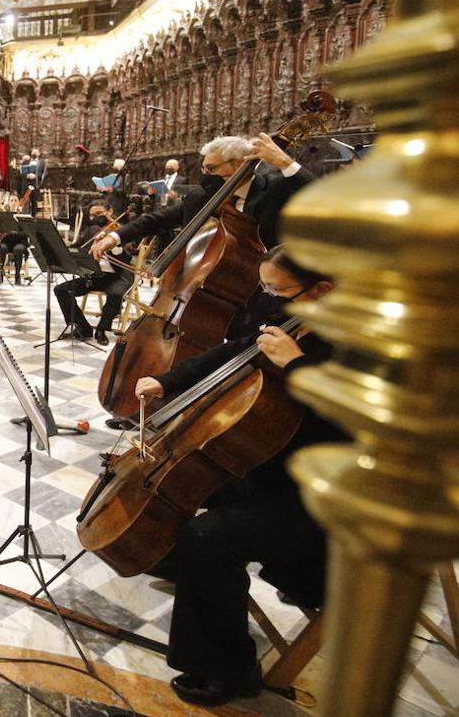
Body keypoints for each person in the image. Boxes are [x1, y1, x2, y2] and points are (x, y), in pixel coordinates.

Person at [134, 246, 347, 706]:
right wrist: (169, 381)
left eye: (277, 289)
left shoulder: (357, 340)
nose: (268, 299)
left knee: (207, 536)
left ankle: (229, 670)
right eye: (264, 287)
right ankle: (187, 570)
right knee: (182, 482)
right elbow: (234, 351)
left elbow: (356, 421)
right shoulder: (292, 315)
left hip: (324, 497)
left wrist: (297, 365)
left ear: (323, 289)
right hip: (274, 468)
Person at [89, 134, 311, 261]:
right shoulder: (203, 197)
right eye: (204, 169)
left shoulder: (274, 188)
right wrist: (115, 237)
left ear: (239, 164)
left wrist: (284, 162)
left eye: (212, 169)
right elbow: (156, 219)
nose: (206, 176)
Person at [55, 200, 131, 344]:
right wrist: (64, 249)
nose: (96, 218)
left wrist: (115, 247)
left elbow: (128, 257)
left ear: (109, 211)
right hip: (94, 275)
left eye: (99, 213)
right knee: (61, 290)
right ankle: (83, 327)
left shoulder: (122, 231)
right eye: (92, 215)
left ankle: (102, 329)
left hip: (117, 276)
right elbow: (78, 246)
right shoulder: (93, 231)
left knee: (116, 293)